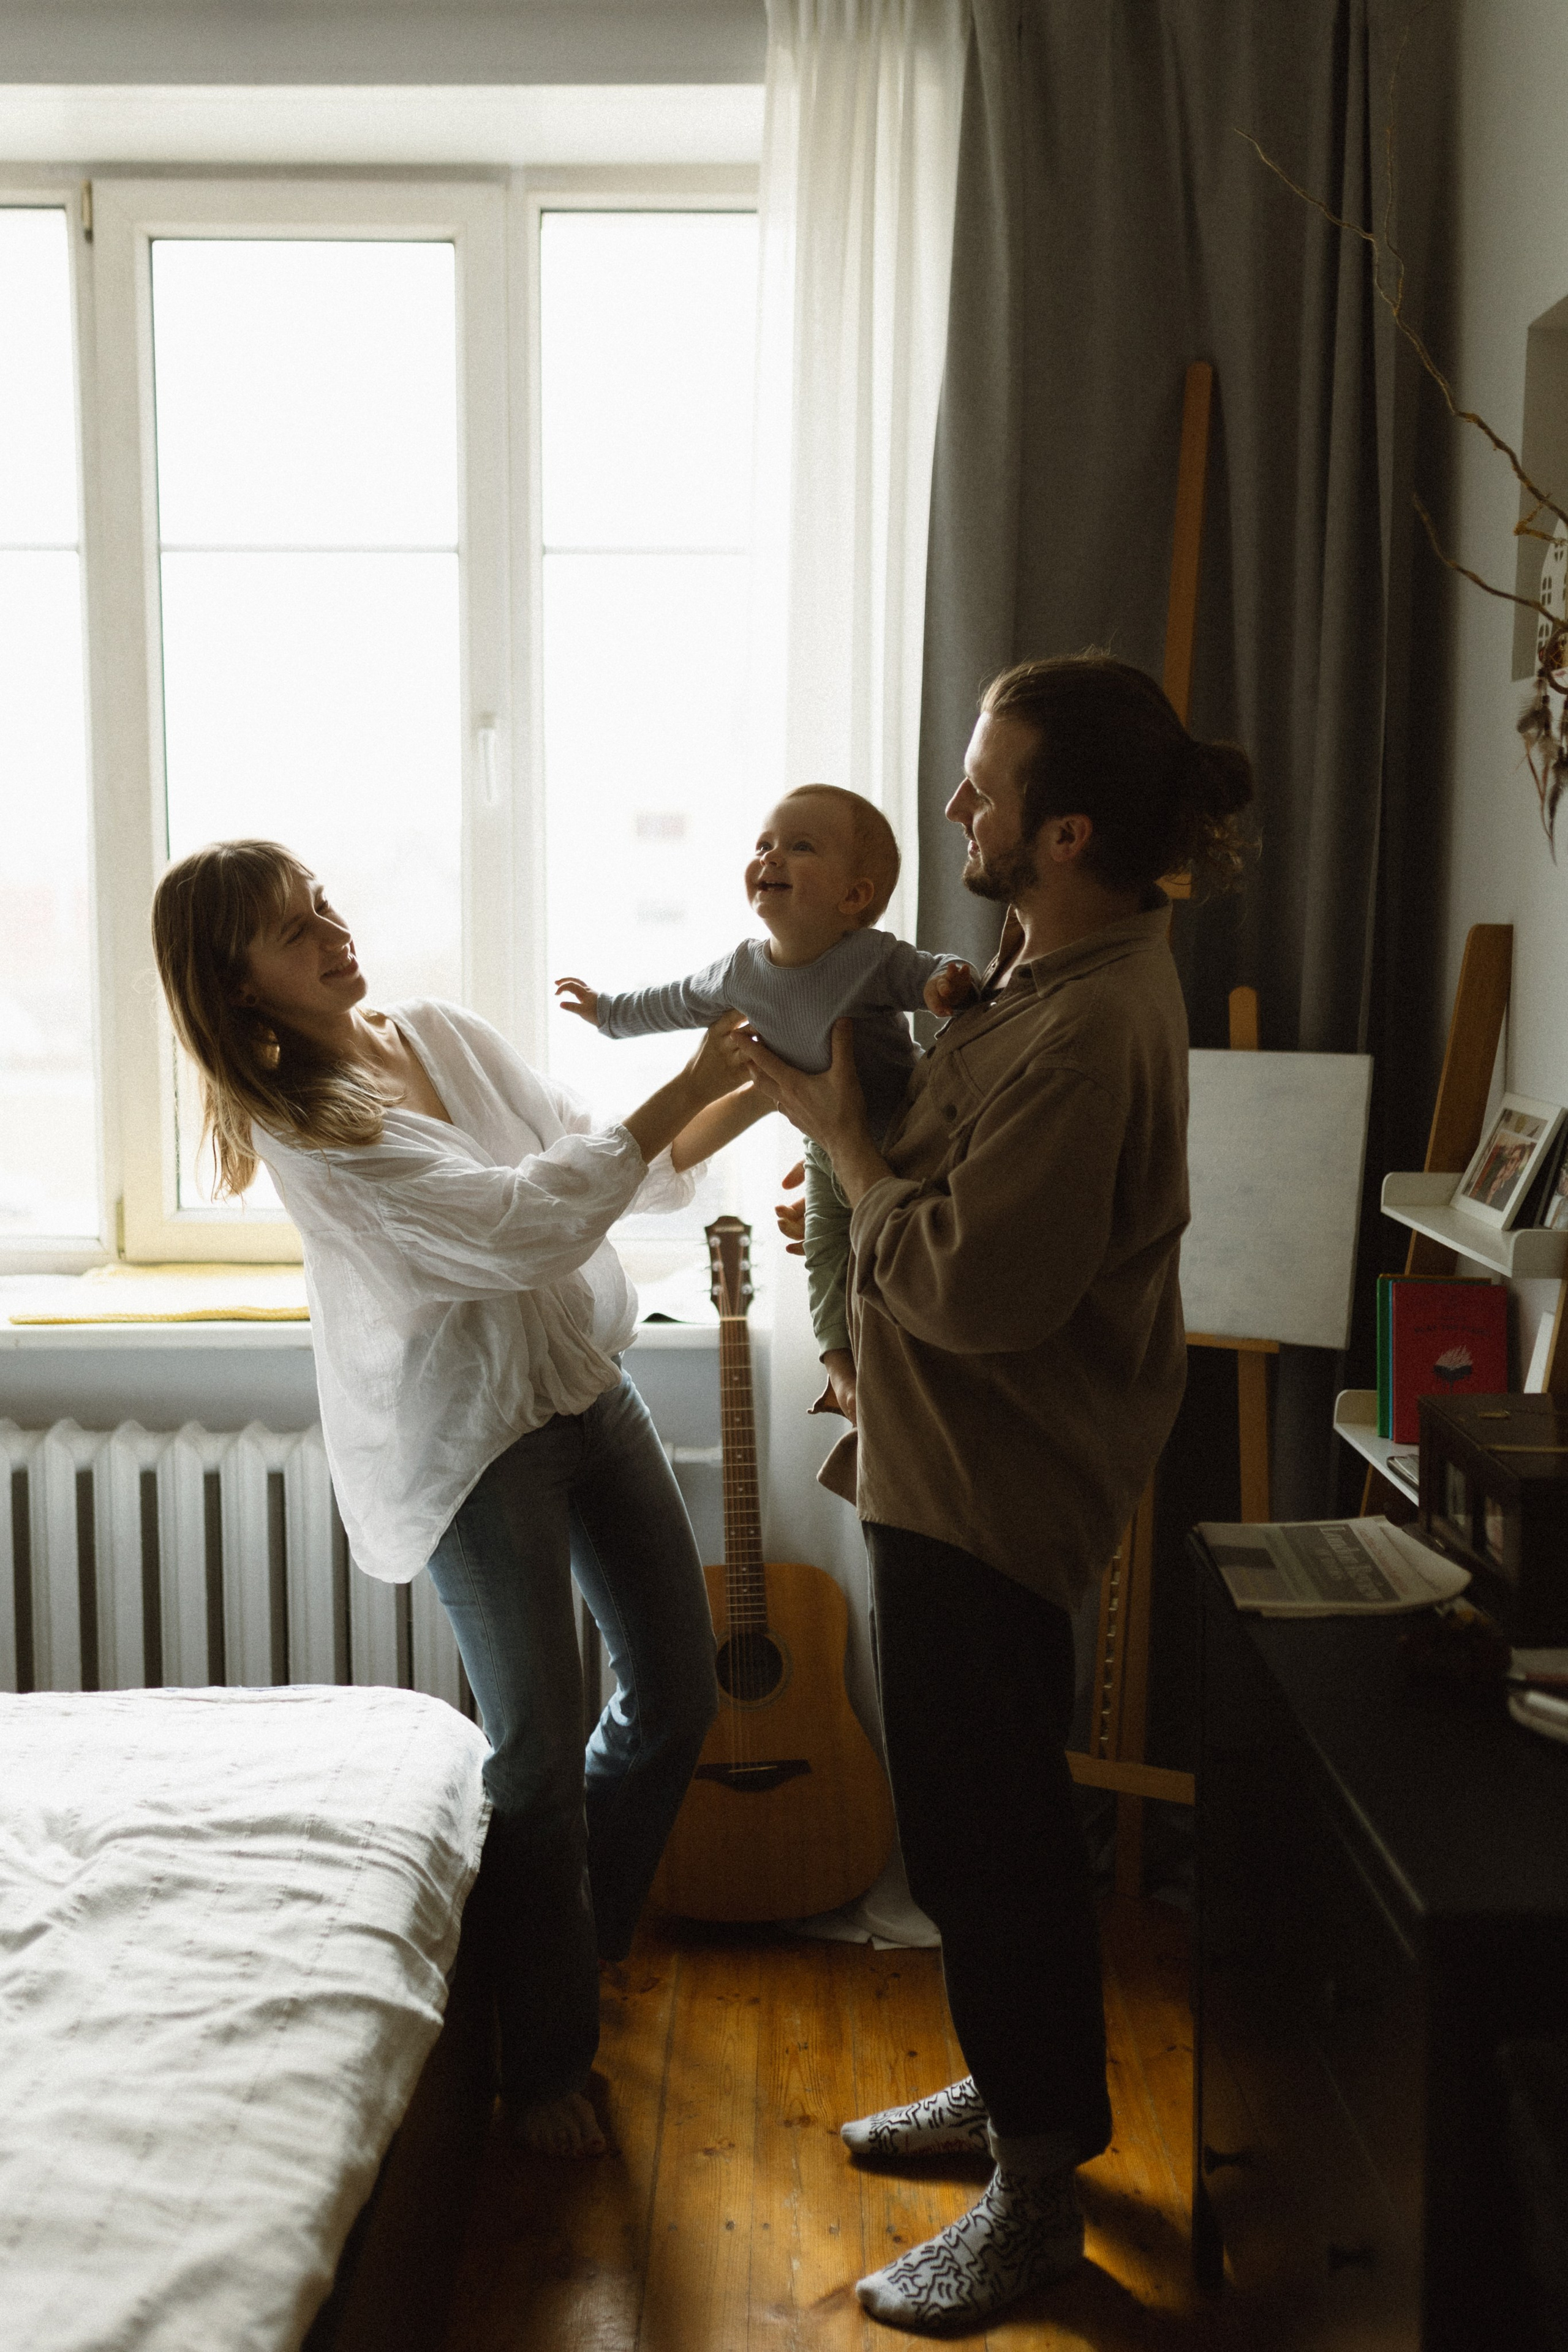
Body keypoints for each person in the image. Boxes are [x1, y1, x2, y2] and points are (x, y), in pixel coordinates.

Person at [747, 655, 1253, 2332]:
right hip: (937, 1467)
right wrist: (881, 1178)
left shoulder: (1093, 1027)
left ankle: (1037, 2196)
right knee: (972, 1834)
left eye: (983, 787)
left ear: (1066, 830)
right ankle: (1016, 2093)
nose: (955, 807)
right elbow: (952, 1214)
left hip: (991, 1492)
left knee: (995, 1841)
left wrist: (865, 1166)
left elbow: (981, 1294)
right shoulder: (1039, 975)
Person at [151, 839, 761, 2159]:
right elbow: (512, 1225)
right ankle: (539, 2066)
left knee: (678, 1694)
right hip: (473, 1441)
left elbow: (620, 1168)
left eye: (321, 902)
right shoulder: (307, 1129)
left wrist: (756, 1082)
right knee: (535, 1756)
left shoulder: (438, 1032)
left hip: (584, 1387)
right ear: (237, 986)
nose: (330, 930)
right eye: (287, 928)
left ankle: (558, 1957)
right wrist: (688, 1081)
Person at [555, 782, 973, 1385]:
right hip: (825, 1143)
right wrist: (607, 1013)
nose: (771, 858)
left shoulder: (872, 959)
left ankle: (909, 1363)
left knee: (905, 1256)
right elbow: (672, 1001)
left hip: (910, 1129)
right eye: (763, 844)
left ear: (854, 895)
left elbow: (931, 974)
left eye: (799, 847)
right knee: (825, 1245)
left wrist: (945, 985)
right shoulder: (740, 971)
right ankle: (838, 1365)